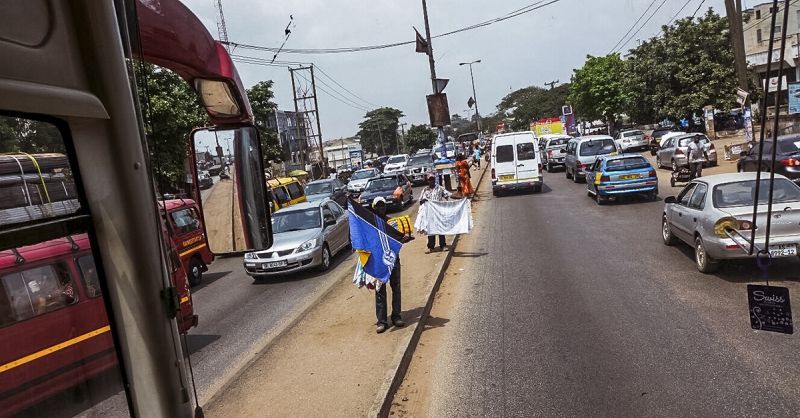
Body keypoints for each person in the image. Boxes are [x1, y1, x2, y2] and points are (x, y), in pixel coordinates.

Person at [370, 197, 405, 333]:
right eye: (378, 206)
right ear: (374, 208)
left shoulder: (392, 223)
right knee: (380, 291)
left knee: (396, 288)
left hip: (393, 260)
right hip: (379, 263)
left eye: (383, 205)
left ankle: (396, 316)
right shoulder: (371, 224)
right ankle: (382, 321)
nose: (381, 208)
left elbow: (398, 239)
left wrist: (404, 239)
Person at [419, 173, 450, 252]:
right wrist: (424, 200)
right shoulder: (425, 190)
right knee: (430, 230)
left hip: (439, 212)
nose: (431, 181)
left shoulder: (440, 188)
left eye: (432, 179)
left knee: (440, 229)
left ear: (434, 179)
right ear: (427, 180)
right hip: (429, 214)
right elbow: (420, 201)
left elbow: (447, 195)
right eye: (430, 179)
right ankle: (431, 246)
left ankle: (443, 245)